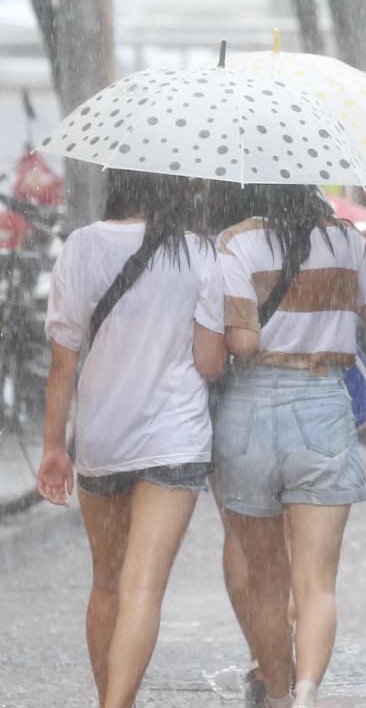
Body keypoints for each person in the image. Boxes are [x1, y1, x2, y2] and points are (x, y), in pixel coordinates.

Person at [35, 169, 228, 708]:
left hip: (102, 437)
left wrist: (54, 446)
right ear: (175, 186)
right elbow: (210, 364)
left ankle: (112, 700)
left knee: (106, 583)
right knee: (142, 587)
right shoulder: (197, 252)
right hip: (174, 438)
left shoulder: (81, 246)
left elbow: (62, 358)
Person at [214, 182, 366, 708]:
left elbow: (242, 343)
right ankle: (306, 694)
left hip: (250, 411)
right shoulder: (346, 242)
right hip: (323, 404)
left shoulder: (235, 244)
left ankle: (276, 695)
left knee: (266, 583)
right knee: (317, 583)